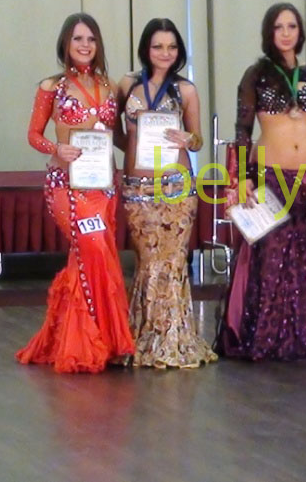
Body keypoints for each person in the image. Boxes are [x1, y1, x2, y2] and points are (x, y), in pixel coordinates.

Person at [215, 2, 306, 361]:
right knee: (272, 255)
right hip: (271, 176)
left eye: (292, 26)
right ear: (269, 33)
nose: (287, 33)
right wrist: (242, 178)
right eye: (279, 27)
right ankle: (266, 336)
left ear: (300, 32)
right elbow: (242, 130)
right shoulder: (256, 76)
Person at [17, 12, 135, 372]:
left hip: (102, 186)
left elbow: (117, 136)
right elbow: (33, 134)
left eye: (91, 39)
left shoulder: (109, 85)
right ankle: (86, 342)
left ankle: (98, 340)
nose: (85, 45)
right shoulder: (52, 87)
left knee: (99, 255)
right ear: (66, 44)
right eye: (78, 39)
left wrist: (154, 146)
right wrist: (57, 149)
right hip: (66, 185)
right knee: (92, 247)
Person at [117, 18, 217, 368]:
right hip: (137, 187)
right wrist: (136, 150)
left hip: (176, 187)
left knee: (172, 264)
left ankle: (175, 340)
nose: (165, 53)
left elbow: (198, 139)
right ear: (146, 48)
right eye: (158, 46)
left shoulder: (185, 90)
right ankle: (142, 335)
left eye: (172, 47)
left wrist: (189, 140)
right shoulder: (127, 84)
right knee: (147, 263)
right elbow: (115, 132)